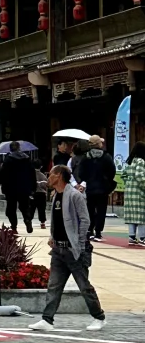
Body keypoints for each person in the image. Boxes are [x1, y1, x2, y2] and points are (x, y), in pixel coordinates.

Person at [29, 165, 106, 332]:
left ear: (59, 176)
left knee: (84, 285)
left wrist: (78, 243)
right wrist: (53, 237)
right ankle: (47, 319)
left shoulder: (75, 196)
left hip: (74, 250)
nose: (48, 177)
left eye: (51, 175)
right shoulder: (56, 195)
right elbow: (58, 222)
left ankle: (98, 317)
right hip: (58, 250)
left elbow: (85, 220)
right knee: (54, 285)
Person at [78, 135, 117, 239]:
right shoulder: (106, 157)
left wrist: (87, 179)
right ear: (99, 144)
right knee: (101, 210)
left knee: (90, 209)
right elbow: (112, 171)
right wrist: (107, 180)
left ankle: (90, 230)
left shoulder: (86, 157)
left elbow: (81, 173)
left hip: (90, 188)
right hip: (103, 188)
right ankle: (98, 232)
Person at [0, 140, 36, 233]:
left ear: (10, 149)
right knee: (25, 206)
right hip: (24, 187)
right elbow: (32, 173)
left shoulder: (8, 160)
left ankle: (14, 227)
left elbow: (3, 175)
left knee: (11, 209)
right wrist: (33, 187)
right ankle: (27, 220)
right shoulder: (27, 159)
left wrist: (3, 187)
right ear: (19, 148)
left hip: (11, 189)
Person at [123, 142, 145, 247]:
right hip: (139, 191)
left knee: (131, 215)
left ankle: (131, 237)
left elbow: (124, 175)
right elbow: (140, 176)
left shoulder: (130, 161)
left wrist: (129, 183)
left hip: (129, 192)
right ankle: (142, 238)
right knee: (141, 216)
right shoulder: (141, 161)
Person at [33, 161, 48, 230]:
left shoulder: (30, 175)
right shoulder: (43, 176)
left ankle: (28, 221)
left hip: (33, 194)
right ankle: (42, 223)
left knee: (31, 209)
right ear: (41, 167)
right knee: (42, 209)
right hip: (41, 194)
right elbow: (45, 186)